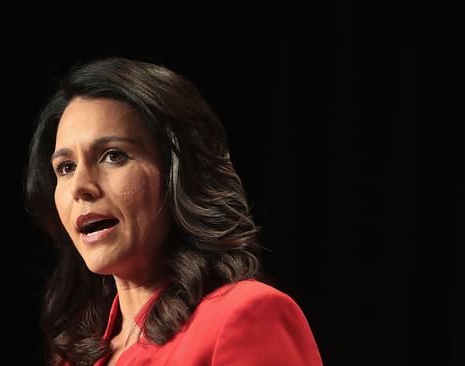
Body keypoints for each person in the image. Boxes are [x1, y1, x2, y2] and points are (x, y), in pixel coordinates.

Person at [25, 57, 323, 366]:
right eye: (66, 167)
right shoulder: (75, 356)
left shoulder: (245, 315)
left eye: (113, 155)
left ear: (177, 175)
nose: (80, 187)